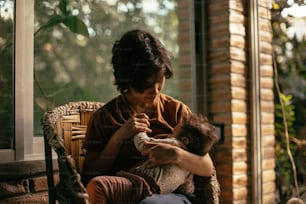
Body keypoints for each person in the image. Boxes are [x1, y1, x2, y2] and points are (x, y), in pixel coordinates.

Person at [81, 29, 216, 204]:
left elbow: (207, 167)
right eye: (146, 85)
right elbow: (89, 178)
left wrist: (175, 154)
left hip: (174, 196)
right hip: (124, 192)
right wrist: (118, 138)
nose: (155, 90)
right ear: (127, 81)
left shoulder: (176, 111)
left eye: (160, 80)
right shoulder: (105, 118)